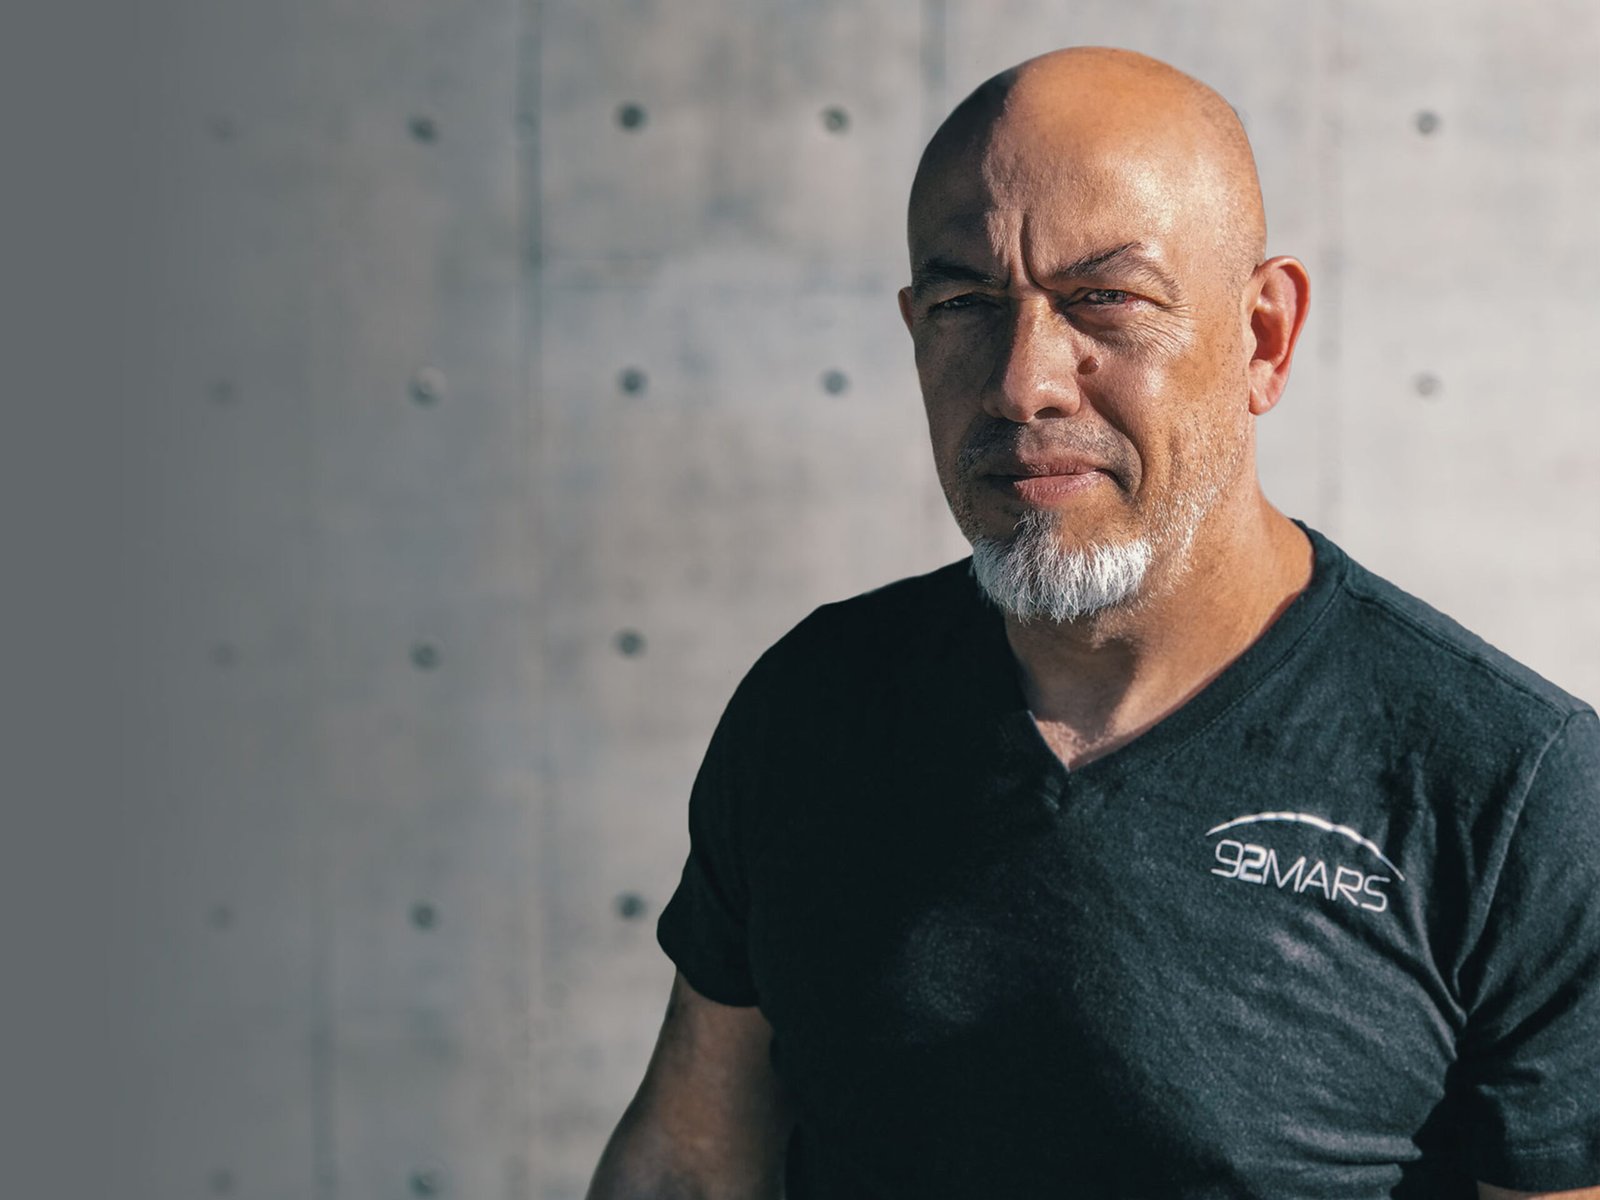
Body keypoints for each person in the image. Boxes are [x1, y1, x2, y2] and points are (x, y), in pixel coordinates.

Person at [585, 46, 1600, 1200]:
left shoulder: (1505, 786)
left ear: (1263, 335)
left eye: (1103, 300)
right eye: (966, 305)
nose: (1024, 382)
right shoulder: (816, 706)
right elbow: (688, 1167)